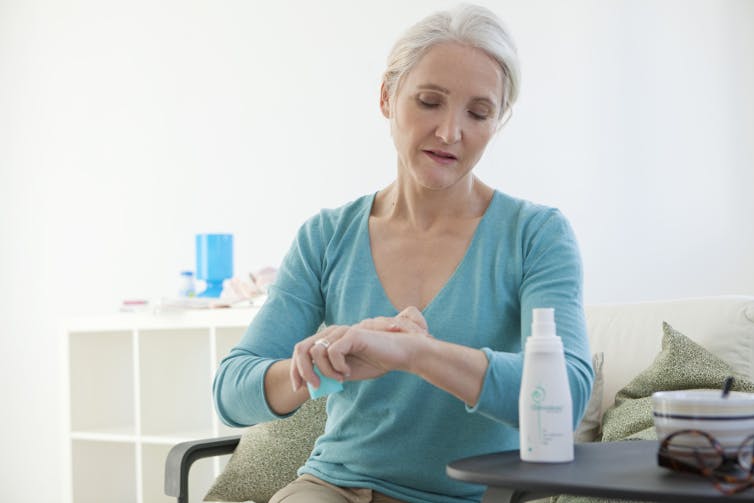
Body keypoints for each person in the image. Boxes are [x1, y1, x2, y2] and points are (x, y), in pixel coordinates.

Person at [213, 4, 594, 503]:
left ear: (498, 121)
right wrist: (316, 369)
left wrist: (415, 353)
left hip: (469, 496)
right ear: (387, 97)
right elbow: (232, 391)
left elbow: (564, 394)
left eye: (478, 113)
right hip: (335, 487)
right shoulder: (327, 236)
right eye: (430, 102)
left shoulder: (536, 235)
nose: (450, 132)